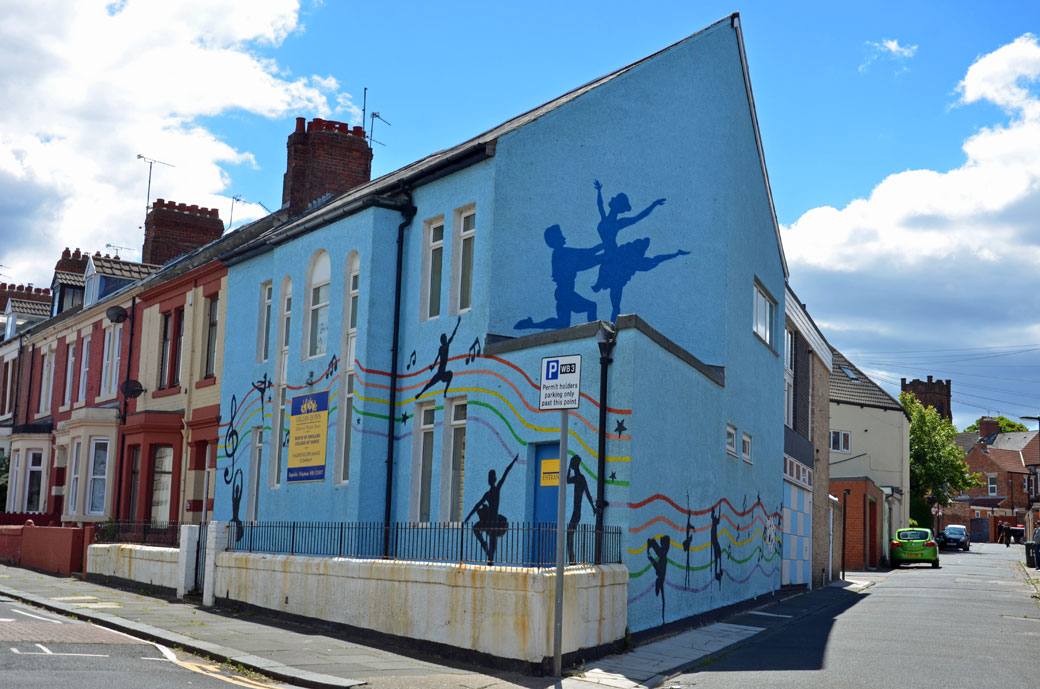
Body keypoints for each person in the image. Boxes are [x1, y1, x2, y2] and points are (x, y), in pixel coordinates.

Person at [515, 225, 603, 331]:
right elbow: (587, 253)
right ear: (555, 240)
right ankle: (593, 332)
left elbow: (583, 260)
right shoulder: (562, 253)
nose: (563, 237)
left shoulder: (561, 254)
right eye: (560, 235)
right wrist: (604, 249)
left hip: (563, 293)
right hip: (565, 293)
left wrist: (601, 255)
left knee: (562, 323)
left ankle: (531, 325)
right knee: (591, 307)